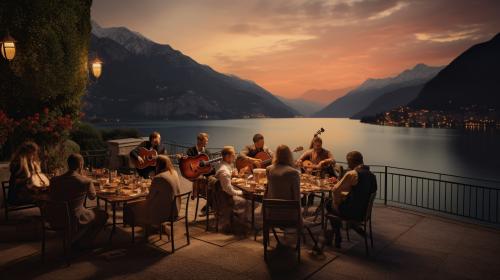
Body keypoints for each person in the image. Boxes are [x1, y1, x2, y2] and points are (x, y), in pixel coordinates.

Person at [49, 154, 108, 249]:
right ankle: (84, 242)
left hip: (55, 217)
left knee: (87, 212)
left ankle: (77, 239)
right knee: (103, 215)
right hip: (74, 219)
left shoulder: (54, 180)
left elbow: (51, 195)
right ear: (81, 165)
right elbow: (92, 197)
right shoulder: (85, 181)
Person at [325, 151, 378, 248]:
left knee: (328, 204)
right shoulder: (372, 176)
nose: (348, 165)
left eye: (348, 162)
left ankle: (337, 236)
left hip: (351, 212)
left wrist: (337, 203)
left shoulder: (352, 174)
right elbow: (361, 192)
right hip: (364, 213)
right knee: (336, 206)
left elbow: (335, 190)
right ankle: (352, 225)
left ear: (351, 162)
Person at [124, 155, 181, 236]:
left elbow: (149, 197)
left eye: (156, 164)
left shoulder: (159, 177)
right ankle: (157, 227)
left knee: (129, 206)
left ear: (158, 165)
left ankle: (132, 231)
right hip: (175, 209)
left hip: (164, 213)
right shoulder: (174, 172)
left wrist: (140, 193)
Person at [215, 146, 250, 232]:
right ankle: (242, 225)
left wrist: (235, 175)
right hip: (226, 199)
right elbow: (229, 191)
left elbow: (228, 182)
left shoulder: (225, 166)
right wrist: (242, 192)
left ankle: (240, 221)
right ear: (227, 157)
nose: (234, 157)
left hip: (225, 195)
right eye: (233, 155)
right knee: (250, 201)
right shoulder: (224, 171)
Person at [265, 145, 301, 221]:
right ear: (289, 155)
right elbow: (297, 197)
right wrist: (300, 219)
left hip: (271, 212)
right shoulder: (293, 172)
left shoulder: (269, 169)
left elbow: (267, 191)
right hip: (288, 215)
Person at [186, 132, 214, 217]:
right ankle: (210, 206)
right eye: (206, 141)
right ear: (199, 141)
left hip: (206, 174)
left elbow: (211, 166)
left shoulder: (207, 152)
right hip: (195, 175)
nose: (207, 143)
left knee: (215, 183)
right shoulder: (191, 151)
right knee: (211, 184)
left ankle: (209, 206)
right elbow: (187, 163)